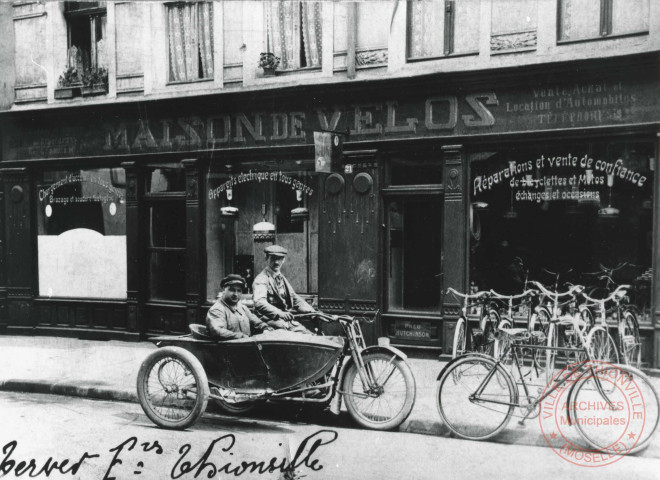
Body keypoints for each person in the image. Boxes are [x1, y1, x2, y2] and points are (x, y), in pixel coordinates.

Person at [253, 245, 315, 334]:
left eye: (280, 258)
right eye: (273, 258)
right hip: (268, 321)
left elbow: (295, 299)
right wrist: (280, 313)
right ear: (266, 258)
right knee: (302, 336)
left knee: (309, 335)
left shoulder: (281, 278)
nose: (277, 262)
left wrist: (313, 313)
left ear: (284, 260)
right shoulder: (261, 279)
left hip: (284, 321)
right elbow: (259, 302)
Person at [206, 274, 273, 340]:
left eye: (239, 291)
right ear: (224, 289)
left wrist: (265, 328)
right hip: (227, 349)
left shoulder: (242, 308)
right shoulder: (217, 309)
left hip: (245, 346)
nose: (236, 294)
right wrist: (242, 337)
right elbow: (218, 332)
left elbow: (256, 322)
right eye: (232, 290)